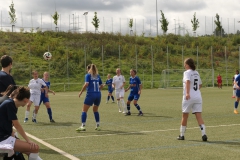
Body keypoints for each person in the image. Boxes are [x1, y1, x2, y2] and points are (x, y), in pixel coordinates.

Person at [0, 86, 42, 160]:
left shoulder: (11, 103)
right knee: (35, 148)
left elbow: (8, 123)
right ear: (26, 100)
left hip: (5, 136)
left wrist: (13, 135)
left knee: (29, 152)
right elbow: (17, 125)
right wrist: (28, 140)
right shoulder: (10, 104)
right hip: (2, 139)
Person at [177, 58, 207, 141]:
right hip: (198, 97)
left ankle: (182, 135)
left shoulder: (187, 72)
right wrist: (195, 91)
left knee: (185, 115)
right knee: (199, 116)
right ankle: (204, 134)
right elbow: (200, 85)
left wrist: (187, 93)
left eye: (184, 64)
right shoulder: (196, 73)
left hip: (189, 97)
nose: (184, 65)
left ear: (187, 64)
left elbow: (187, 82)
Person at [76, 64, 103, 132]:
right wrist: (97, 89)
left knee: (84, 110)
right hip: (98, 95)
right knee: (95, 110)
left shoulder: (88, 75)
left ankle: (83, 126)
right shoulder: (98, 76)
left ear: (88, 69)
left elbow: (86, 84)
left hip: (91, 94)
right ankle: (98, 125)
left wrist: (81, 92)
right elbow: (101, 85)